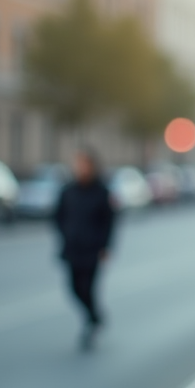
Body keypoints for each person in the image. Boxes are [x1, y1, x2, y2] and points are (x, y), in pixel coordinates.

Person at [54, 149, 115, 350]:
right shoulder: (68, 191)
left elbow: (109, 221)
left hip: (92, 249)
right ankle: (94, 316)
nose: (81, 168)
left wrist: (105, 246)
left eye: (84, 164)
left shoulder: (101, 191)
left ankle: (92, 321)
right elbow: (58, 216)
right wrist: (66, 234)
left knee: (88, 288)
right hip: (72, 249)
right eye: (78, 164)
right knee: (74, 288)